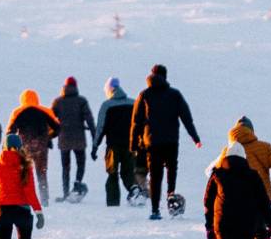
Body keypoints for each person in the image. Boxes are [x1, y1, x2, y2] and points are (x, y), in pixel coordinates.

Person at [129, 63, 201, 220]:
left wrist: (133, 145)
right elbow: (186, 118)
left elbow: (136, 122)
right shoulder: (174, 95)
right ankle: (171, 195)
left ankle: (155, 210)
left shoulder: (144, 94)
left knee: (155, 175)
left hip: (152, 142)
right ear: (165, 76)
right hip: (171, 140)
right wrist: (195, 138)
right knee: (171, 168)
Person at [92, 77, 142, 207]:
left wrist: (95, 146)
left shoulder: (107, 105)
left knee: (112, 174)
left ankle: (113, 205)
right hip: (131, 146)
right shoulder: (133, 103)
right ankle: (134, 190)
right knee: (128, 172)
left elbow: (101, 127)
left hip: (113, 147)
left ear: (109, 90)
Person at [7, 89, 61, 204]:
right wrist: (48, 137)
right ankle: (44, 198)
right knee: (42, 173)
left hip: (24, 148)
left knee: (24, 173)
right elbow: (58, 128)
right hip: (41, 147)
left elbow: (10, 132)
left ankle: (23, 198)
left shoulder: (18, 112)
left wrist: (12, 146)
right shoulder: (44, 111)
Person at [50, 76, 96, 201]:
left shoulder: (57, 102)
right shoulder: (81, 101)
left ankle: (66, 193)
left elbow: (50, 120)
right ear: (76, 87)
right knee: (80, 163)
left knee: (65, 167)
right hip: (79, 139)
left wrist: (49, 136)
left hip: (64, 139)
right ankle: (77, 183)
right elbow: (90, 120)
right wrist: (94, 136)